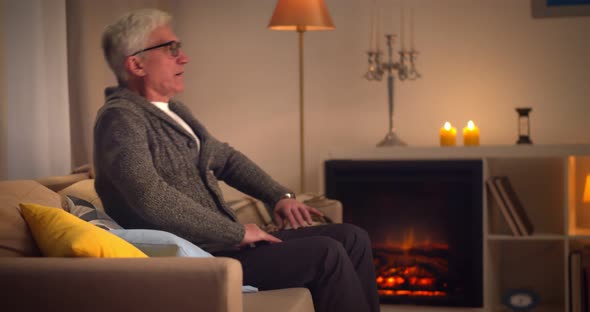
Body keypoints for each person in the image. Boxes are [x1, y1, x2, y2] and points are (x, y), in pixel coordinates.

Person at [95, 8, 380, 312]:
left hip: (226, 244)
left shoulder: (175, 111)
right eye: (171, 49)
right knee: (327, 253)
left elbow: (226, 159)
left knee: (352, 236)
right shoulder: (120, 119)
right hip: (207, 258)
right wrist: (238, 232)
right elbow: (149, 196)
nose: (184, 57)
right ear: (136, 63)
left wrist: (278, 196)